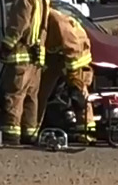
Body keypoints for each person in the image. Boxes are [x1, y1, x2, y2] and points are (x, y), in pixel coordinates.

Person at [0, 0, 49, 144]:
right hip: (36, 57)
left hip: (21, 56)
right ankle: (30, 134)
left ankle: (11, 135)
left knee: (14, 95)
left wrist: (6, 45)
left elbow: (19, 24)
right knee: (30, 97)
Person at [38, 7, 96, 139]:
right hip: (56, 54)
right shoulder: (40, 16)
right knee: (41, 91)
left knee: (79, 93)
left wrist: (73, 73)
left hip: (76, 55)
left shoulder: (57, 20)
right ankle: (35, 129)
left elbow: (72, 46)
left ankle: (87, 132)